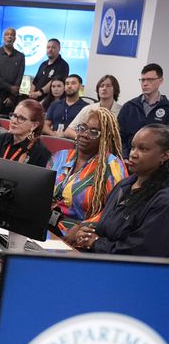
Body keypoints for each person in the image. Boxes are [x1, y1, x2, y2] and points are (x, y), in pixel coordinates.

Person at [70, 125, 169, 257]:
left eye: (143, 149)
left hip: (126, 271)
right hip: (100, 258)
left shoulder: (164, 200)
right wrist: (87, 233)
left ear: (165, 155)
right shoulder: (125, 185)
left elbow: (141, 250)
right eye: (133, 147)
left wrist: (96, 242)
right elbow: (109, 226)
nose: (133, 154)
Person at [48, 108, 128, 235]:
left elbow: (113, 211)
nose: (85, 134)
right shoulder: (60, 157)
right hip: (45, 226)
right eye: (82, 128)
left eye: (93, 132)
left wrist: (81, 229)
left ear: (105, 137)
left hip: (79, 235)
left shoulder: (112, 165)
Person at [117, 63, 169, 156]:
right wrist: (124, 156)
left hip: (157, 164)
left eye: (150, 80)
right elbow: (118, 137)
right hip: (129, 161)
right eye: (143, 80)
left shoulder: (167, 108)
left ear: (160, 81)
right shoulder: (129, 107)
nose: (145, 83)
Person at [0, 99, 51, 167]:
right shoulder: (1, 139)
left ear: (34, 125)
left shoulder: (40, 152)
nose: (14, 121)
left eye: (21, 118)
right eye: (14, 116)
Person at [65, 75, 123, 139]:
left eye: (108, 86)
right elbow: (69, 131)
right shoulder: (88, 108)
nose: (104, 88)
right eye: (101, 86)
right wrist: (84, 139)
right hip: (89, 146)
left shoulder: (122, 110)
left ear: (115, 89)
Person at [0, 27, 24, 112]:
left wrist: (12, 97)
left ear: (15, 39)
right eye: (7, 34)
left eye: (12, 35)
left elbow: (19, 78)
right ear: (3, 38)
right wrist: (10, 87)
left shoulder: (20, 56)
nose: (9, 36)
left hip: (11, 99)